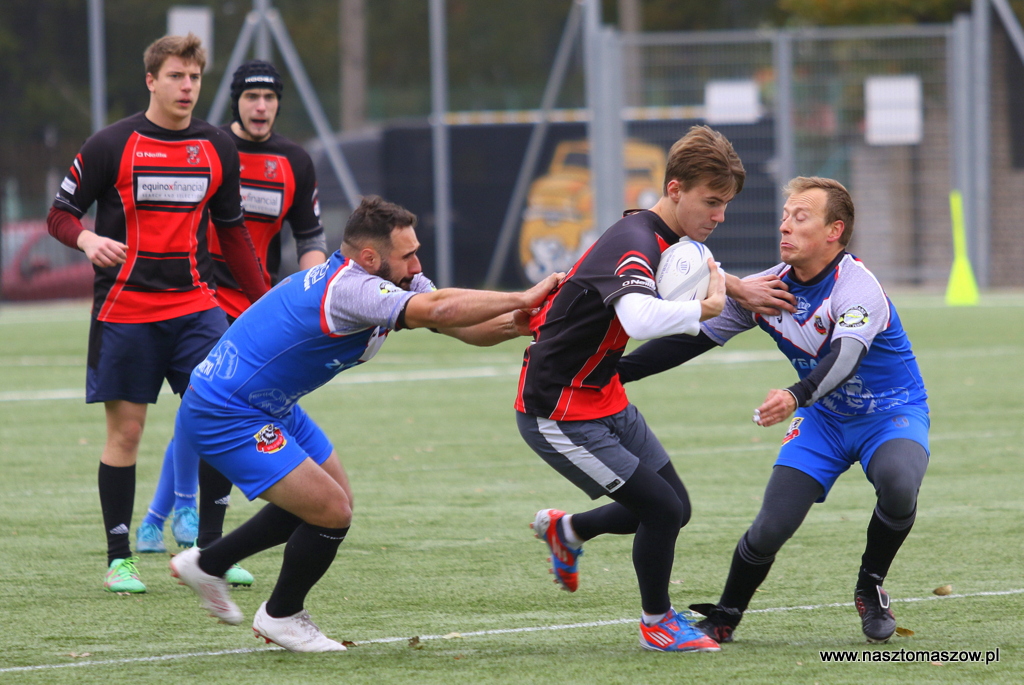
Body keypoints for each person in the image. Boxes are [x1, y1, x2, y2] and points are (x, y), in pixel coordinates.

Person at [169, 195, 563, 652]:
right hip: (226, 410)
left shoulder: (395, 278)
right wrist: (523, 296)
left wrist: (521, 323)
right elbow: (438, 309)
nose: (417, 264)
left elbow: (458, 325)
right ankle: (281, 615)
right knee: (330, 511)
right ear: (371, 258)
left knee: (332, 500)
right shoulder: (351, 288)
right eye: (407, 255)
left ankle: (208, 564)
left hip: (270, 403)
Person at [514, 125, 795, 653]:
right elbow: (639, 318)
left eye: (726, 204)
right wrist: (709, 308)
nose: (720, 215)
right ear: (674, 190)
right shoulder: (635, 240)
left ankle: (568, 530)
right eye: (711, 202)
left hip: (602, 393)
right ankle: (656, 623)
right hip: (557, 407)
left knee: (675, 507)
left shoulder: (666, 235)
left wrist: (738, 287)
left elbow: (697, 264)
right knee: (661, 510)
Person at [616, 176, 929, 644]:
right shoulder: (766, 290)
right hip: (823, 421)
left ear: (834, 231)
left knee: (899, 483)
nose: (784, 226)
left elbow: (845, 356)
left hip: (890, 414)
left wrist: (795, 395)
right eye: (784, 217)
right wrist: (613, 373)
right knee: (770, 527)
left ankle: (870, 585)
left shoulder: (858, 287)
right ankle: (726, 616)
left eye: (800, 218)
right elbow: (690, 341)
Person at [46, 34, 267, 594]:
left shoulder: (217, 146)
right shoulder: (111, 144)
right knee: (127, 431)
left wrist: (265, 301)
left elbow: (233, 232)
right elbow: (60, 213)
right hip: (126, 311)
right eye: (175, 76)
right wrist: (87, 239)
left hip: (197, 309)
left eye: (194, 77)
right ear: (151, 80)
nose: (187, 86)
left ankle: (210, 552)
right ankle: (119, 558)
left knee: (221, 416)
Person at [136, 61, 329, 578]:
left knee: (216, 410)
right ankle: (187, 518)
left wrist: (313, 290)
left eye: (269, 97)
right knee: (205, 404)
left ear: (279, 103)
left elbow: (310, 237)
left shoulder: (294, 160)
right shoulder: (212, 148)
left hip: (260, 304)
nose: (260, 107)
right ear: (236, 102)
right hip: (203, 297)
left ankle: (161, 517)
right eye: (251, 97)